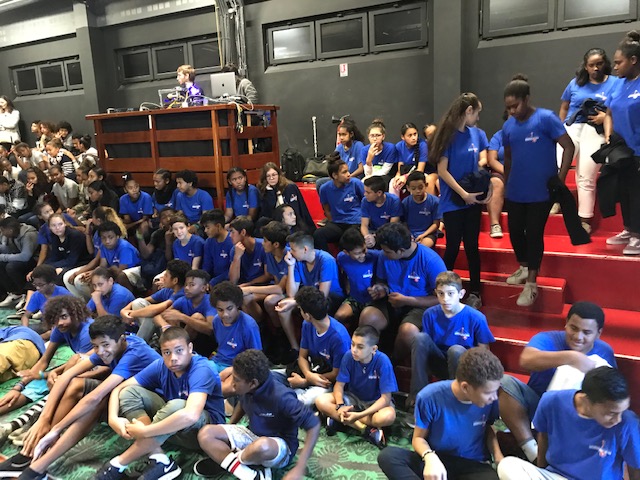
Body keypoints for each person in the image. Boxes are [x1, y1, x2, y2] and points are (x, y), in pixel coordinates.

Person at [0, 316, 160, 480]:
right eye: (95, 346)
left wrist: (57, 429)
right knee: (76, 384)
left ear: (121, 339)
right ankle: (34, 452)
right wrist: (44, 419)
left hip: (150, 407)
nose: (100, 351)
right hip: (127, 395)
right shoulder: (111, 344)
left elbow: (95, 397)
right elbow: (66, 376)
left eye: (105, 345)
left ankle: (39, 465)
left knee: (98, 400)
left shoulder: (133, 353)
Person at [94, 326, 224, 480]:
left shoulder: (202, 368)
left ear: (190, 348)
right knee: (129, 392)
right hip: (170, 428)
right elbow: (120, 388)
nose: (173, 358)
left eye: (179, 350)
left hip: (203, 435)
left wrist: (145, 432)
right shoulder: (161, 365)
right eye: (167, 352)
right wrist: (113, 418)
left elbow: (190, 415)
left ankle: (118, 464)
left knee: (178, 406)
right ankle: (159, 459)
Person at [498, 301, 617, 463]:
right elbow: (526, 360)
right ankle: (532, 452)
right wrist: (571, 357)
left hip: (577, 416)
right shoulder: (548, 338)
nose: (578, 337)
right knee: (504, 382)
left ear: (598, 333)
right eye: (573, 328)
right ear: (566, 324)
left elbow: (611, 392)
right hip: (538, 406)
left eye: (587, 332)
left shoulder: (604, 352)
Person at [377, 348, 505, 480]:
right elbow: (418, 438)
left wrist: (498, 457)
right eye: (488, 393)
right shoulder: (429, 397)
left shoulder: (490, 401)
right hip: (437, 459)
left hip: (473, 465)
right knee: (389, 456)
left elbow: (488, 428)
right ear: (465, 387)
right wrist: (429, 457)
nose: (494, 397)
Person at [503, 74, 575, 306]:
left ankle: (531, 284)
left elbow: (569, 146)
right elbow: (508, 159)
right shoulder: (508, 126)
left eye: (515, 105)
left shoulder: (546, 118)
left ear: (527, 99)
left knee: (534, 233)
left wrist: (560, 179)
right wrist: (506, 184)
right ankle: (524, 267)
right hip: (516, 190)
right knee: (515, 232)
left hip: (541, 191)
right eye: (508, 107)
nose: (512, 111)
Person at [195, 349, 320, 480]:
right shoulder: (247, 386)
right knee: (206, 434)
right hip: (253, 435)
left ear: (253, 383)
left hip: (278, 446)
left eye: (236, 380)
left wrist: (299, 467)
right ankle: (250, 474)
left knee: (262, 446)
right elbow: (243, 402)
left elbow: (314, 425)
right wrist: (230, 426)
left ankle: (231, 461)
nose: (232, 383)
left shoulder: (282, 397)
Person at [498, 367, 640, 480]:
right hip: (557, 475)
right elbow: (543, 437)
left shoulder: (627, 422)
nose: (618, 419)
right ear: (586, 401)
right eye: (611, 413)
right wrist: (540, 469)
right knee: (508, 465)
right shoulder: (551, 402)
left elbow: (635, 467)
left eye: (622, 411)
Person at [429, 92, 489, 306]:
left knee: (472, 246)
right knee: (453, 246)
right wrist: (463, 194)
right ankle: (442, 290)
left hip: (472, 201)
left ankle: (476, 292)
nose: (478, 118)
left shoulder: (477, 134)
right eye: (477, 113)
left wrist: (483, 187)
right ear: (468, 111)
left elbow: (481, 163)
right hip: (453, 201)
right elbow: (442, 171)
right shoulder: (448, 136)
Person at [360, 222, 446, 359]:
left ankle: (392, 362)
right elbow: (382, 281)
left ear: (400, 250)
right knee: (368, 317)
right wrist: (381, 289)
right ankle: (370, 358)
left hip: (419, 304)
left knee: (408, 332)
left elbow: (442, 299)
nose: (384, 253)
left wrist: (407, 300)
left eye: (387, 251)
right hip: (391, 299)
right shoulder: (384, 256)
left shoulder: (431, 261)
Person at [0, 296, 93, 421]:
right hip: (76, 366)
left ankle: (43, 418)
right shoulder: (61, 329)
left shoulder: (87, 332)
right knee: (34, 385)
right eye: (55, 320)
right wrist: (19, 386)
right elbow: (44, 361)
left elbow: (81, 364)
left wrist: (47, 374)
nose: (59, 323)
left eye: (64, 317)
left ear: (75, 314)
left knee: (57, 385)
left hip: (91, 369)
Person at [410, 271, 495, 406]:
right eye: (441, 293)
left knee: (455, 350)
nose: (445, 299)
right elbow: (425, 346)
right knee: (420, 338)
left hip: (464, 366)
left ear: (461, 294)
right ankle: (417, 397)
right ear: (436, 293)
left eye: (450, 294)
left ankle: (454, 399)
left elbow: (484, 352)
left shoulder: (476, 317)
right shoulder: (429, 314)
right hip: (439, 361)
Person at [557, 48, 618, 233]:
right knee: (559, 166)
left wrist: (606, 117)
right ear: (586, 66)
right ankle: (557, 200)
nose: (595, 68)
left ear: (605, 63)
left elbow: (620, 107)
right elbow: (564, 107)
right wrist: (559, 129)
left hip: (596, 130)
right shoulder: (575, 83)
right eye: (591, 65)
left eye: (599, 64)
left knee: (585, 177)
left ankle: (584, 220)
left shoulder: (615, 83)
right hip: (573, 127)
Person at [315, 325, 397, 448]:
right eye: (352, 344)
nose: (354, 350)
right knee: (320, 401)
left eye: (360, 347)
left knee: (388, 416)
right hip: (352, 399)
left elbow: (385, 399)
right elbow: (339, 385)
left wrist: (359, 415)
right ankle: (365, 429)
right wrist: (340, 405)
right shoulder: (348, 356)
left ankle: (340, 419)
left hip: (375, 403)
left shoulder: (383, 361)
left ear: (373, 349)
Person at [275, 232, 344, 358]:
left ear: (305, 249)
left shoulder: (326, 260)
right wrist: (290, 266)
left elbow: (322, 296)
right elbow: (291, 293)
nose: (290, 253)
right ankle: (295, 349)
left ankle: (315, 353)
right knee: (283, 308)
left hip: (329, 298)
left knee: (309, 309)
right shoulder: (298, 261)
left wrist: (295, 302)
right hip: (308, 296)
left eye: (293, 249)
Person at [603, 31, 640, 255]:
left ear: (633, 60)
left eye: (619, 62)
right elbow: (608, 113)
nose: (614, 67)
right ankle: (629, 229)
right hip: (620, 149)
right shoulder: (618, 85)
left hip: (638, 150)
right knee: (624, 191)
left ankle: (638, 235)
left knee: (637, 192)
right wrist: (609, 136)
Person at [285, 286, 350, 406]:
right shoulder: (307, 324)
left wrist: (305, 381)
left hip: (327, 381)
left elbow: (336, 374)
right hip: (311, 370)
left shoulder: (338, 337)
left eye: (300, 310)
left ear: (307, 315)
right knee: (271, 376)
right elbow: (302, 356)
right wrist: (308, 375)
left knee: (300, 402)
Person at [120, 259, 189, 342]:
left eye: (166, 275)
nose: (162, 277)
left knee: (151, 316)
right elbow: (140, 301)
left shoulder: (182, 294)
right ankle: (149, 339)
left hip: (174, 332)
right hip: (160, 326)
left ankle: (139, 343)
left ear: (175, 281)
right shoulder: (168, 290)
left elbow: (156, 309)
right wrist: (124, 311)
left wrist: (131, 314)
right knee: (139, 302)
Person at [154, 269, 216, 355]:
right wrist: (165, 326)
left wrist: (182, 317)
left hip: (205, 344)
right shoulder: (183, 299)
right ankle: (172, 346)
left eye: (192, 285)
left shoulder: (210, 301)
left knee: (197, 317)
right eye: (186, 285)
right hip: (186, 341)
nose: (186, 288)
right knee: (172, 314)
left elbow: (210, 329)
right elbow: (159, 316)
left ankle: (174, 347)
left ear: (204, 288)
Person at [240, 220, 289, 327]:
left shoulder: (289, 256)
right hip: (277, 288)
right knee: (245, 298)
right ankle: (258, 327)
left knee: (269, 301)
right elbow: (276, 281)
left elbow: (280, 288)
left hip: (289, 292)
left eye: (265, 241)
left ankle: (278, 330)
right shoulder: (270, 254)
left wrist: (249, 288)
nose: (262, 243)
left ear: (276, 244)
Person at [210, 281, 262, 372]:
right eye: (220, 310)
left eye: (229, 308)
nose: (225, 314)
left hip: (238, 368)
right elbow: (220, 346)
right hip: (216, 362)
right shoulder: (216, 320)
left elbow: (256, 357)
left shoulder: (249, 325)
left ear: (237, 305)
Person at [314, 159, 364, 251]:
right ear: (335, 175)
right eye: (344, 172)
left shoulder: (356, 183)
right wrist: (331, 221)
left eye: (348, 171)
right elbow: (326, 209)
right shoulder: (325, 188)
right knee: (318, 234)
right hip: (337, 223)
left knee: (348, 238)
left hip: (355, 222)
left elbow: (366, 202)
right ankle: (326, 258)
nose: (348, 174)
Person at [334, 228, 381, 325]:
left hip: (373, 300)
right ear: (347, 252)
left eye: (364, 250)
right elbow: (343, 274)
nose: (363, 255)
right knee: (339, 316)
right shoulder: (342, 258)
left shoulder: (376, 256)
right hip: (355, 298)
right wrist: (346, 286)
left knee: (365, 321)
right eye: (357, 253)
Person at [256, 162, 314, 231]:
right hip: (275, 222)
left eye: (274, 175)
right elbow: (268, 213)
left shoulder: (289, 187)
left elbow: (294, 211)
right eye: (268, 176)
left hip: (293, 222)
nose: (271, 178)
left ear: (279, 175)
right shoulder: (265, 190)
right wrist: (270, 193)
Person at [0, 216, 38, 308]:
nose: (2, 233)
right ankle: (15, 293)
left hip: (35, 260)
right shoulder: (11, 235)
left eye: (3, 231)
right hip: (24, 258)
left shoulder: (28, 234)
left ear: (10, 230)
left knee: (11, 267)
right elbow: (6, 248)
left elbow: (25, 256)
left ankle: (25, 293)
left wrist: (2, 257)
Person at [402, 171, 441, 248]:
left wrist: (423, 235)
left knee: (421, 248)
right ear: (408, 188)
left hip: (428, 234)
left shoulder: (434, 201)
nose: (417, 191)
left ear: (426, 185)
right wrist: (409, 235)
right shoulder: (405, 202)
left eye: (420, 188)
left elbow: (436, 224)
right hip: (410, 234)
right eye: (413, 188)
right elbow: (404, 222)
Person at [390, 122, 430, 197]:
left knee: (414, 183)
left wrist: (406, 177)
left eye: (415, 134)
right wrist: (397, 176)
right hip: (405, 172)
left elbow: (420, 170)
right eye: (410, 135)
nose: (414, 137)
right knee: (393, 183)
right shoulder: (399, 146)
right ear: (403, 137)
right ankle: (395, 204)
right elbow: (400, 167)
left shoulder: (423, 145)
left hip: (420, 173)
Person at [361, 175, 401, 248]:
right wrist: (367, 237)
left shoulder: (394, 201)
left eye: (368, 192)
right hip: (372, 231)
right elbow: (364, 225)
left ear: (379, 193)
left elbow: (392, 226)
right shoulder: (365, 201)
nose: (365, 194)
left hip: (389, 233)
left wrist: (375, 237)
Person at [228, 216, 269, 286]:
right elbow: (233, 281)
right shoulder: (235, 250)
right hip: (244, 285)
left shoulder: (263, 246)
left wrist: (248, 284)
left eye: (232, 232)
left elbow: (267, 276)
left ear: (243, 232)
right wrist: (236, 258)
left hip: (262, 286)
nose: (230, 235)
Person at [356, 119, 398, 184]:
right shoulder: (364, 150)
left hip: (385, 177)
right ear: (368, 137)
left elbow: (385, 171)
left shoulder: (390, 148)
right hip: (370, 176)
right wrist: (368, 161)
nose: (375, 139)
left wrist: (371, 177)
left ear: (383, 136)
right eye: (372, 136)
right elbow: (367, 174)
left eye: (378, 135)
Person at [201, 209, 234, 286]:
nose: (205, 231)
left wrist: (213, 282)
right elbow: (207, 266)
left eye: (208, 227)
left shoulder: (232, 241)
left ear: (218, 226)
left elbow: (231, 270)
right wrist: (203, 281)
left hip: (229, 283)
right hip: (213, 282)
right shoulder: (208, 242)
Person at [487, 119, 507, 238]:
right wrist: (507, 172)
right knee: (495, 182)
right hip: (502, 171)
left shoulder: (528, 135)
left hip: (523, 172)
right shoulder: (498, 136)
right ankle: (495, 224)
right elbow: (492, 160)